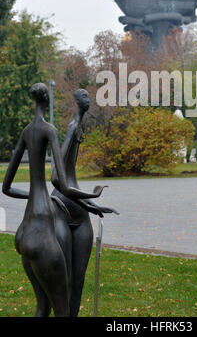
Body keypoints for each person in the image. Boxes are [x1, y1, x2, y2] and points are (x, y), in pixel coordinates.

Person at [2, 83, 103, 317]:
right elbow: (60, 182)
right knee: (62, 309)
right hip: (43, 233)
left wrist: (34, 197)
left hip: (24, 233)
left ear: (34, 101)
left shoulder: (26, 131)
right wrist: (92, 195)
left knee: (42, 307)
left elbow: (6, 188)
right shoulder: (50, 130)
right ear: (47, 101)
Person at [51, 89, 118, 317]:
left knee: (78, 280)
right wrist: (91, 199)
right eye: (84, 98)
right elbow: (56, 177)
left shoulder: (80, 126)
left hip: (79, 211)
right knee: (66, 279)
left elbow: (70, 179)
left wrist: (90, 204)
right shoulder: (72, 127)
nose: (88, 101)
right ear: (77, 102)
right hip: (62, 207)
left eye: (90, 98)